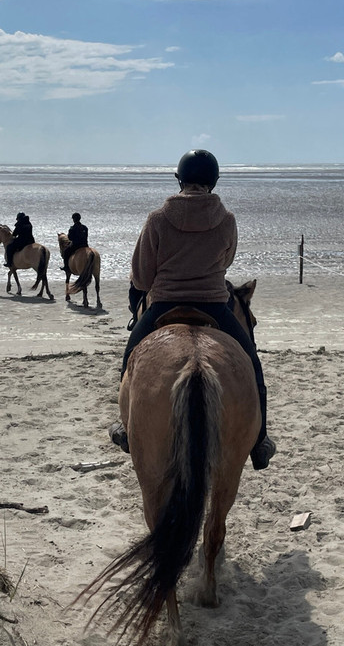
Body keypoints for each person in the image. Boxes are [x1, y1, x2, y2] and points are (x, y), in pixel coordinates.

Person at [109, 149, 276, 470]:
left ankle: (125, 428)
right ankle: (260, 440)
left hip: (163, 305)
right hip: (214, 304)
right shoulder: (226, 220)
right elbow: (226, 261)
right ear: (213, 182)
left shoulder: (157, 219)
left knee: (131, 358)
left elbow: (142, 277)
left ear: (180, 179)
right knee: (251, 361)